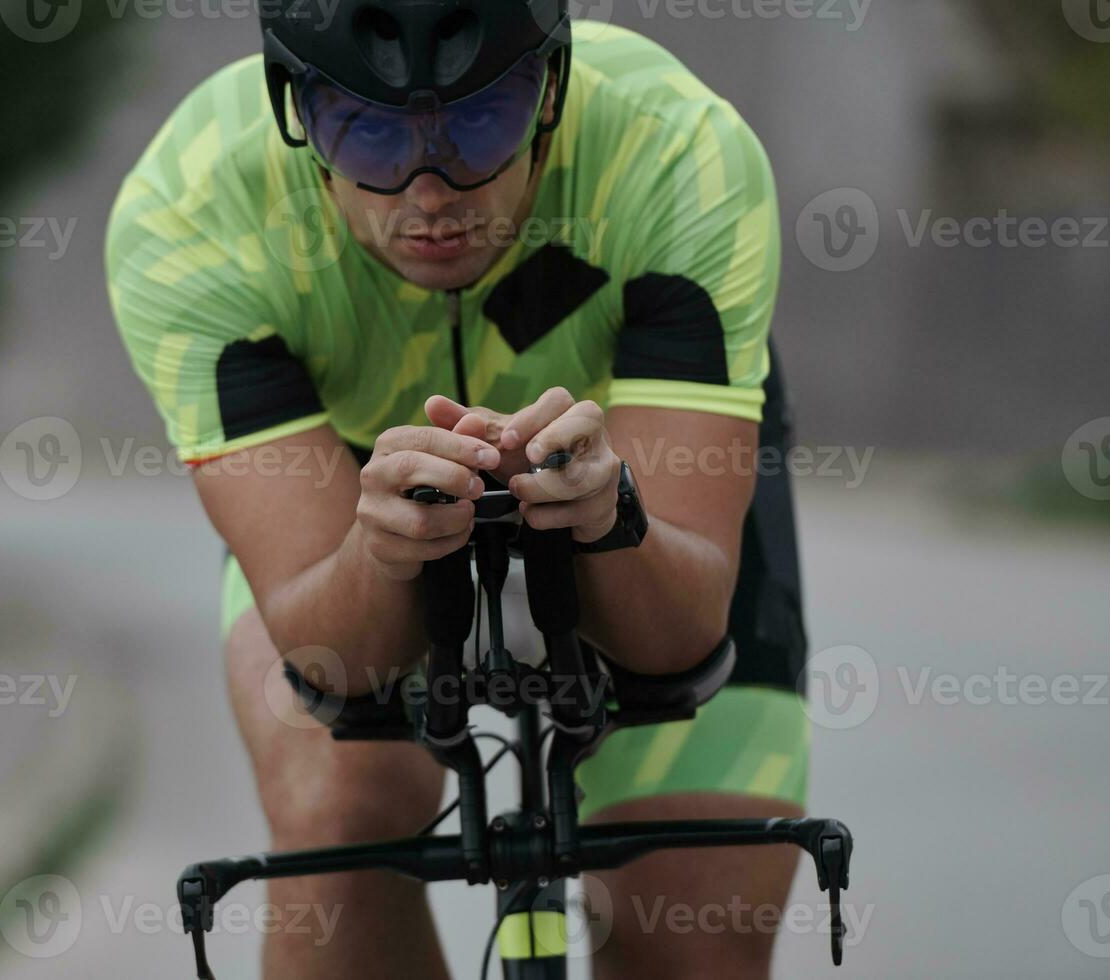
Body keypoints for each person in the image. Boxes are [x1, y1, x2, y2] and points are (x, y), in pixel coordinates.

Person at [107, 4, 810, 976]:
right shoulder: (193, 211)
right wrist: (378, 550)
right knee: (337, 835)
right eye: (368, 131)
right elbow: (335, 661)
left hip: (630, 480)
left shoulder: (675, 148)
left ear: (553, 88)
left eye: (480, 123)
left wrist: (610, 517)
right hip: (349, 493)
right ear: (292, 110)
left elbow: (679, 633)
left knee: (693, 927)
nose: (429, 191)